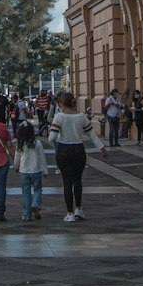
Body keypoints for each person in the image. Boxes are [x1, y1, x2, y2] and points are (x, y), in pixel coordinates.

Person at [48, 91, 108, 222]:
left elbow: (51, 137)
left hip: (63, 150)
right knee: (78, 180)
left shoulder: (59, 117)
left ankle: (69, 213)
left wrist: (53, 134)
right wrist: (102, 148)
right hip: (79, 150)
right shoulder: (81, 117)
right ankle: (79, 209)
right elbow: (92, 135)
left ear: (62, 103)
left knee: (67, 183)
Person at [13, 120, 48, 221]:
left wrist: (16, 167)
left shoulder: (20, 144)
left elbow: (17, 157)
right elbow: (42, 157)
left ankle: (26, 215)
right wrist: (45, 171)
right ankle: (36, 204)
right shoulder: (37, 143)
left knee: (26, 192)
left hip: (24, 171)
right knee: (37, 189)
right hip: (36, 170)